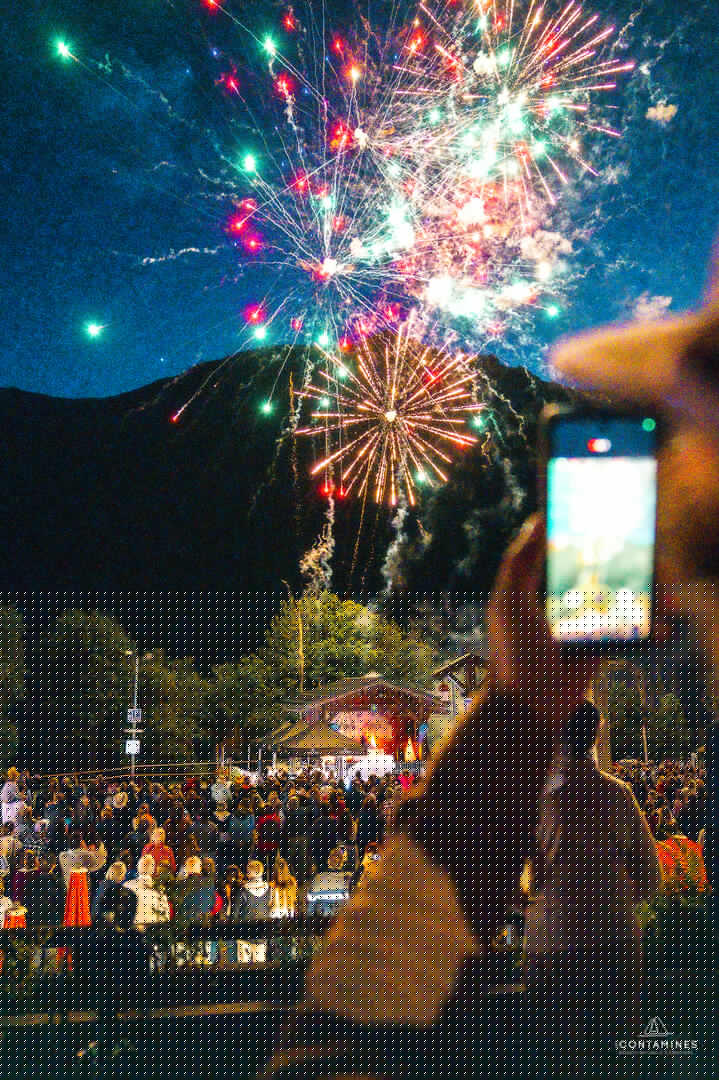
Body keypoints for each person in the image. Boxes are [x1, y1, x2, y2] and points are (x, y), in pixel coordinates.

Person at [261, 248, 719, 1079]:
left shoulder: (550, 788)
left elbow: (349, 1035)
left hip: (552, 950)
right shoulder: (617, 795)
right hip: (612, 946)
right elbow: (647, 878)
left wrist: (521, 704)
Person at [522, 702, 661, 1049]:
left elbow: (526, 884)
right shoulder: (619, 795)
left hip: (553, 940)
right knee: (616, 1052)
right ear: (595, 735)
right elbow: (651, 878)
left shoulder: (539, 802)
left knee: (557, 1052)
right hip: (615, 936)